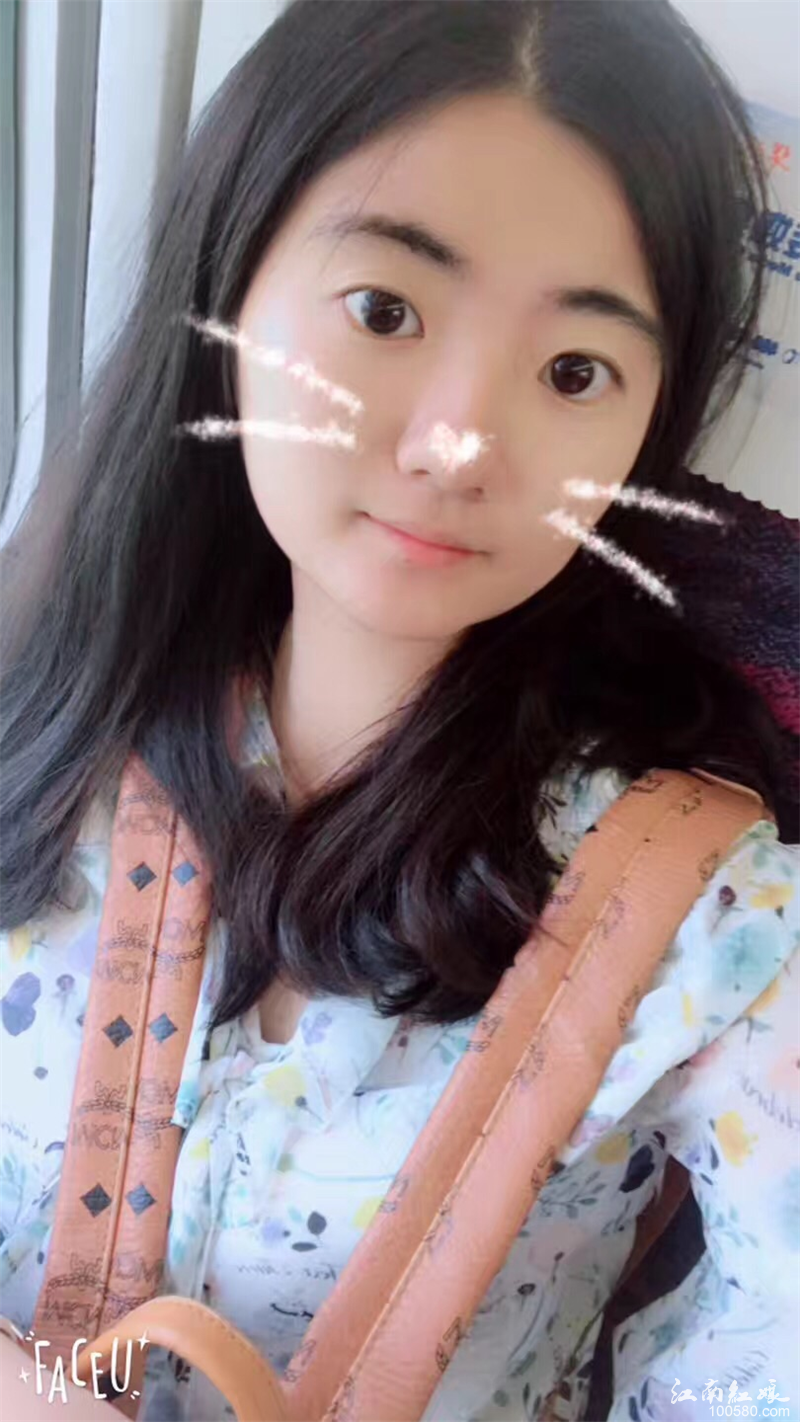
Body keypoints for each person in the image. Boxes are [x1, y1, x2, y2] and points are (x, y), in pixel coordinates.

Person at [1, 1, 798, 1418]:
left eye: (574, 371)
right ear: (233, 285)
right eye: (386, 311)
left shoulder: (704, 922)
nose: (458, 443)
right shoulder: (50, 706)